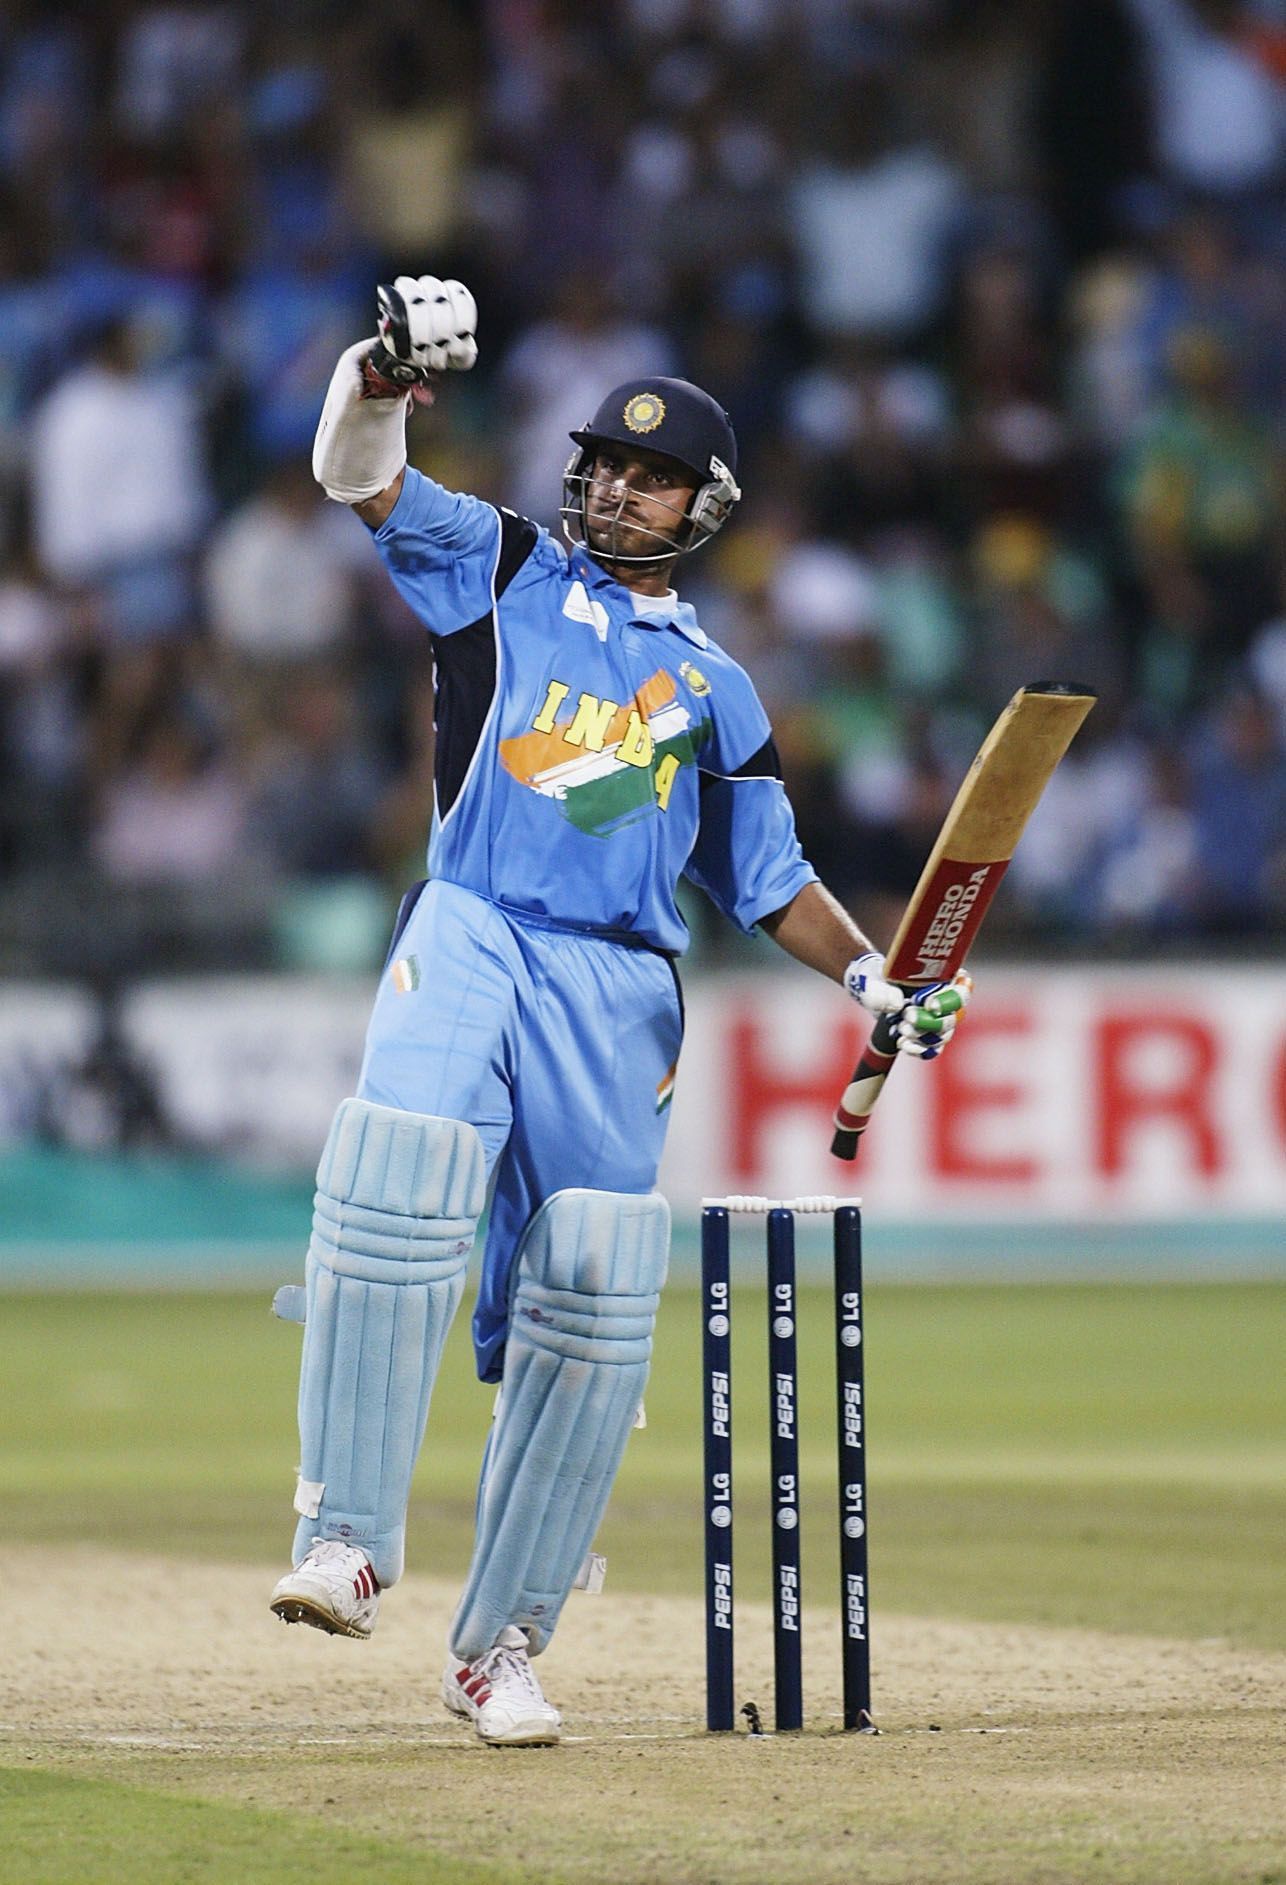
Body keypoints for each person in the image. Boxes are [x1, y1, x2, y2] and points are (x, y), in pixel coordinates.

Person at [268, 275, 970, 1746]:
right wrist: (382, 369)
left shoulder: (715, 683)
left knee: (591, 1291)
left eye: (652, 478)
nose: (617, 490)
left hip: (620, 986)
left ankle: (500, 1646)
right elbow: (354, 473)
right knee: (399, 1167)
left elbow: (766, 877)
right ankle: (343, 1538)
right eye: (606, 464)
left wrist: (867, 978)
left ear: (701, 506)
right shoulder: (502, 563)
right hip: (473, 921)